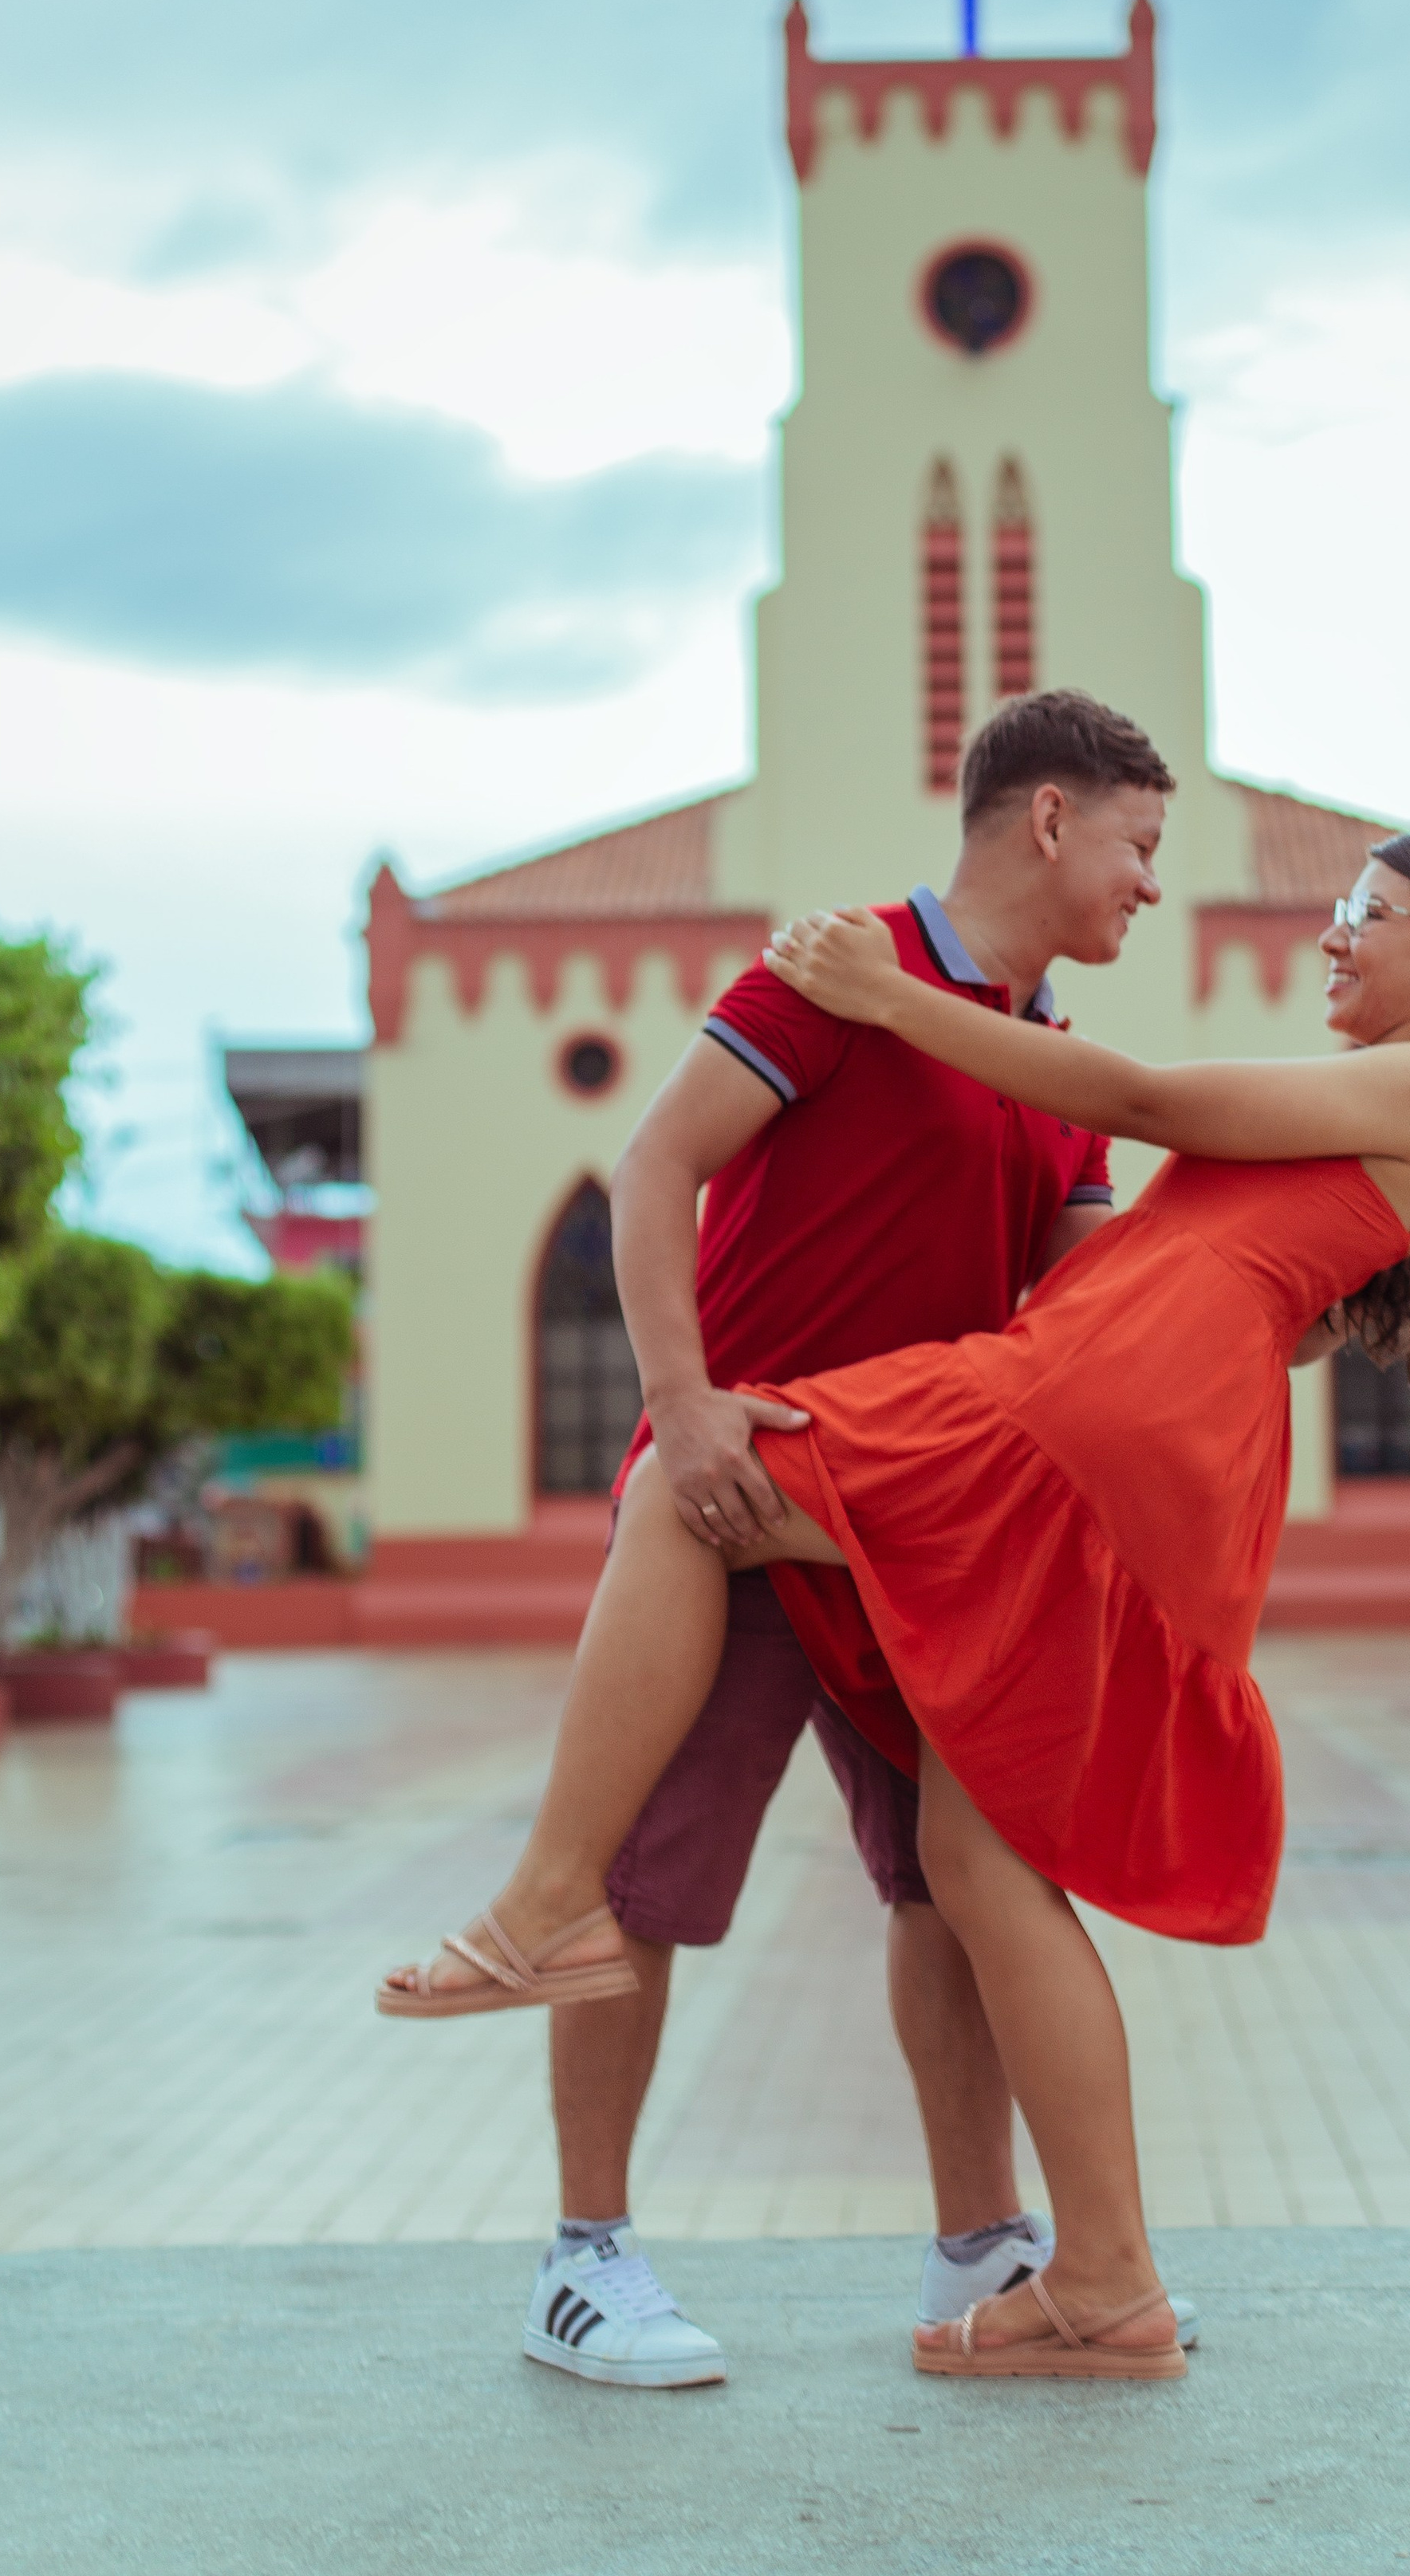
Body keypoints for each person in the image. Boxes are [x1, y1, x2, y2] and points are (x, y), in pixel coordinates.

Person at [381, 828, 1410, 2384]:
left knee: (691, 1482)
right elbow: (1219, 1270)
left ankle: (547, 1897)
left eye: (1367, 914)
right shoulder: (1409, 1123)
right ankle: (1103, 2283)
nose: (1331, 936)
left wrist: (883, 998)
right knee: (976, 1860)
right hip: (1144, 1444)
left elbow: (1150, 1102)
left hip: (1069, 1424)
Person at [382, 688, 1181, 2389]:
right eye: (1135, 847)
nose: (1148, 888)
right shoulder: (830, 972)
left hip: (915, 1529)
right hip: (732, 1507)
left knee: (947, 1892)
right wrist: (678, 1405)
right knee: (630, 1895)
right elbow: (653, 1165)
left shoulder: (1043, 1060)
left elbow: (1086, 1305)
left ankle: (982, 2245)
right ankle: (581, 2265)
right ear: (1047, 820)